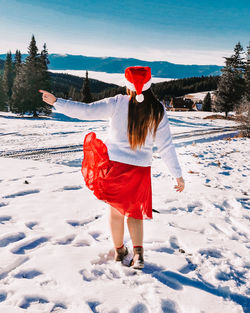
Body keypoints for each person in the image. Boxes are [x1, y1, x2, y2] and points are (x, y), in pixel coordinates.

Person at [39, 66, 184, 269]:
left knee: (116, 212)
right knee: (134, 213)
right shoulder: (157, 109)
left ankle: (119, 252)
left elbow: (86, 111)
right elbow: (166, 145)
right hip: (139, 170)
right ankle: (138, 255)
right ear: (150, 84)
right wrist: (177, 175)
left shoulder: (117, 102)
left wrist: (57, 102)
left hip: (115, 168)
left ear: (128, 85)